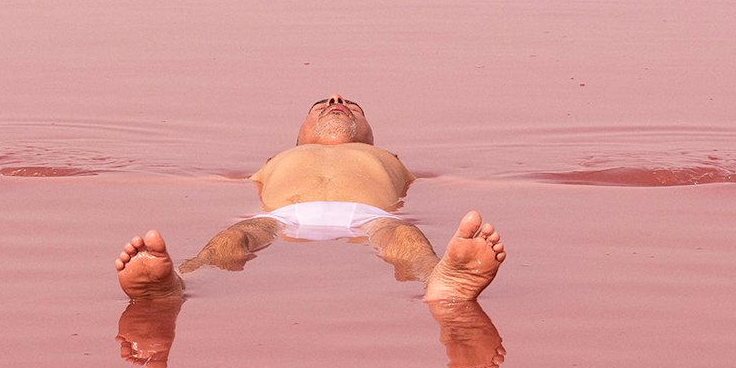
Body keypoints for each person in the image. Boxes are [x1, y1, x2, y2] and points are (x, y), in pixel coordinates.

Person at [114, 95, 507, 301]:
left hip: (370, 215)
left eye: (352, 106)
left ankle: (439, 278)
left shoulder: (391, 160)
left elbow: (459, 181)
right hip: (282, 216)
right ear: (298, 137)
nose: (336, 99)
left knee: (402, 238)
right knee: (236, 236)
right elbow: (200, 181)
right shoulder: (276, 161)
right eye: (321, 105)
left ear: (371, 135)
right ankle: (178, 281)